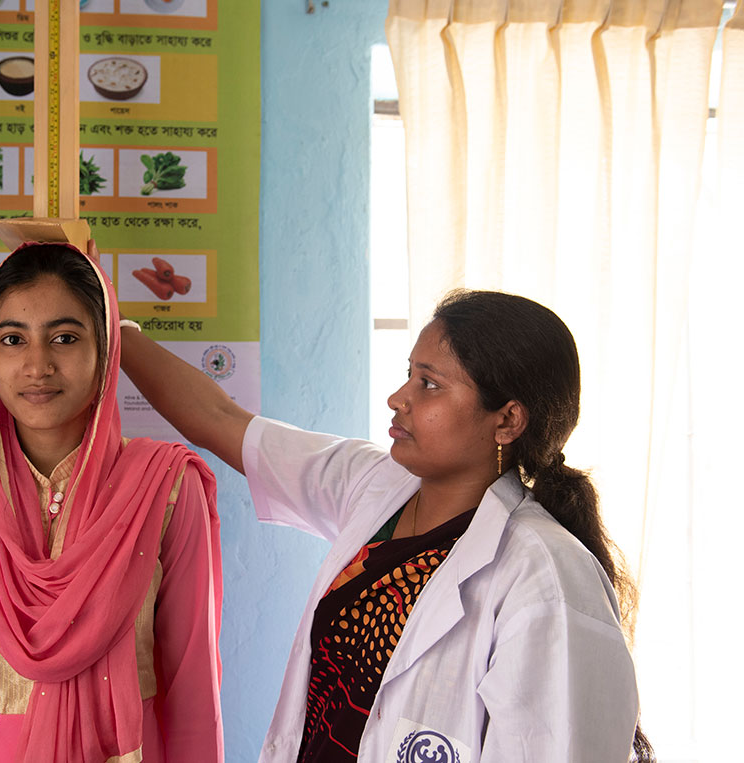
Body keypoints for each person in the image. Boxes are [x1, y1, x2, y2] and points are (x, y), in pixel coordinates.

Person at [118, 284, 652, 762]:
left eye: (430, 384)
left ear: (507, 420)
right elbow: (220, 420)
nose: (399, 399)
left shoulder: (546, 578)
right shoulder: (375, 486)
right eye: (408, 376)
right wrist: (113, 325)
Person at [0, 242, 224, 763]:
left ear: (106, 349)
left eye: (65, 338)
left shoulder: (164, 488)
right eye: (13, 339)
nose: (37, 364)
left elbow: (193, 688)